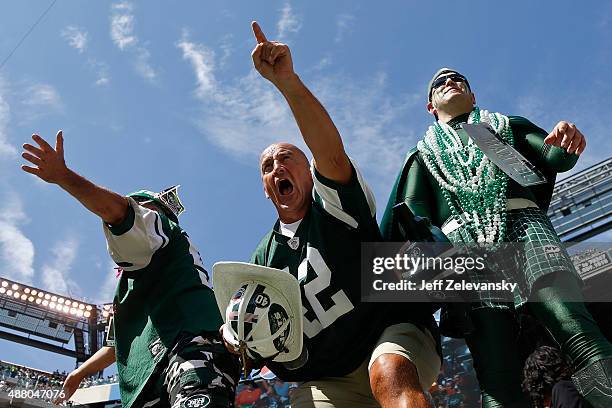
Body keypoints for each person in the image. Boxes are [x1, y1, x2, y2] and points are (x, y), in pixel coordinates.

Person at [380, 68, 612, 408]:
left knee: (574, 327)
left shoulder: (505, 126)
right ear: (430, 107)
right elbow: (413, 213)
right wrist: (430, 243)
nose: (449, 82)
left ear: (473, 97)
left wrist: (565, 142)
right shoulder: (421, 155)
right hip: (466, 253)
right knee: (496, 370)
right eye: (439, 84)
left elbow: (552, 156)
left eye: (458, 80)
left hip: (525, 227)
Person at [245, 21, 441, 408]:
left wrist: (287, 82)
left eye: (287, 158)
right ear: (265, 188)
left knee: (388, 373)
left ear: (308, 170)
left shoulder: (331, 206)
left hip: (389, 333)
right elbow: (255, 328)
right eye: (268, 167)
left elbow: (331, 155)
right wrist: (236, 333)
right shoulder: (263, 258)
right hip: (325, 375)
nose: (277, 167)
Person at [20, 131, 239, 408]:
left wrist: (64, 177)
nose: (138, 213)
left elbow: (120, 213)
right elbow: (117, 346)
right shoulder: (132, 284)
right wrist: (79, 373)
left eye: (140, 207)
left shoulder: (158, 228)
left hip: (186, 346)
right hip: (149, 375)